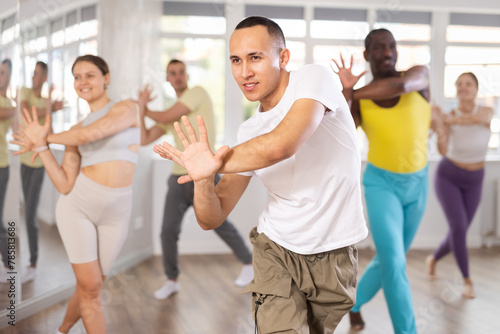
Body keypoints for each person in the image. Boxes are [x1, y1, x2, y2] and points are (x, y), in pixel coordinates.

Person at [154, 16, 368, 333]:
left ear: (282, 57)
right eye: (236, 61)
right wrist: (202, 180)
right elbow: (212, 217)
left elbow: (282, 145)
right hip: (275, 248)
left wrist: (214, 162)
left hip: (334, 253)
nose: (244, 72)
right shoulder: (249, 132)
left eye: (255, 57)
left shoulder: (314, 79)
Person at [12, 55, 140, 334]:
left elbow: (94, 133)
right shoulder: (72, 131)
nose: (83, 82)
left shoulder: (128, 108)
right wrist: (43, 150)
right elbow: (65, 184)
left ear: (106, 78)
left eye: (90, 75)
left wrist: (45, 138)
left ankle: (62, 330)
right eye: (77, 77)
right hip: (77, 207)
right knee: (92, 289)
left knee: (89, 286)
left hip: (117, 212)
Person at [331, 28, 430, 333]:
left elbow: (399, 85)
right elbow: (342, 133)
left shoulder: (418, 77)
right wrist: (347, 96)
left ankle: (353, 303)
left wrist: (351, 91)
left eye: (391, 46)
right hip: (380, 185)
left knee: (389, 261)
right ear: (366, 55)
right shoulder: (361, 103)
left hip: (418, 185)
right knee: (395, 263)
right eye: (378, 48)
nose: (387, 52)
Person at [138, 59, 254, 300]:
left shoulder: (196, 94)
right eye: (173, 73)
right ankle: (172, 280)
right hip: (177, 179)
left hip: (205, 176)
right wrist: (141, 111)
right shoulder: (172, 110)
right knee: (168, 230)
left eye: (181, 72)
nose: (178, 76)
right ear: (168, 79)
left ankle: (248, 263)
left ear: (186, 75)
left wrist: (142, 107)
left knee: (220, 224)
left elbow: (169, 114)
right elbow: (144, 137)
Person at [426, 72, 493, 299]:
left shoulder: (486, 111)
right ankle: (467, 280)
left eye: (469, 84)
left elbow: (474, 120)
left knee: (460, 229)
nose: (464, 87)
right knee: (459, 228)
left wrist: (445, 120)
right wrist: (440, 126)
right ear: (456, 90)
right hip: (448, 177)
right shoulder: (448, 116)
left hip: (475, 179)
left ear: (476, 89)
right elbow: (443, 150)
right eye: (460, 84)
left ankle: (433, 258)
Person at [18, 61, 63, 283]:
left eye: (37, 74)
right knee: (27, 210)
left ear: (44, 77)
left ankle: (33, 261)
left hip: (38, 164)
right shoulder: (25, 91)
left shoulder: (46, 101)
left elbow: (50, 130)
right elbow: (27, 111)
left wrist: (51, 109)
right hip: (24, 160)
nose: (34, 77)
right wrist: (51, 107)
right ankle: (31, 258)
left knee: (29, 213)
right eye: (33, 73)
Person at [0, 59, 16, 281]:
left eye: (3, 72)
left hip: (1, 164)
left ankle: (8, 264)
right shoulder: (12, 105)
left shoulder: (10, 104)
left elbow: (18, 130)